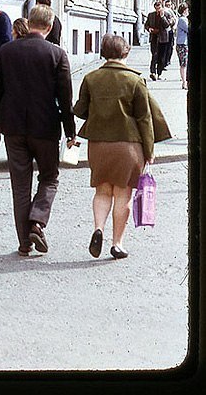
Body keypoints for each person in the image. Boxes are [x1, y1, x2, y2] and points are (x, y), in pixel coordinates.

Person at [0, 5, 77, 257]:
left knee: (20, 186)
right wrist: (71, 132)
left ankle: (24, 242)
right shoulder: (57, 54)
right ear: (49, 27)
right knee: (49, 177)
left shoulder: (7, 51)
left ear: (29, 22)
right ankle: (37, 221)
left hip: (13, 127)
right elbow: (65, 98)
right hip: (46, 128)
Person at [72, 35, 171, 260]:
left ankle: (98, 228)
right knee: (122, 195)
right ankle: (117, 244)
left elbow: (80, 110)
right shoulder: (135, 80)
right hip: (128, 146)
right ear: (126, 52)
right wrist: (149, 151)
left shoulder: (90, 78)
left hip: (98, 145)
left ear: (103, 53)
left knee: (102, 191)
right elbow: (144, 119)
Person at [144, 0, 172, 81]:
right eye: (156, 8)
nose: (158, 10)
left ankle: (159, 73)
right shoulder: (151, 15)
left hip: (163, 38)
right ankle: (153, 72)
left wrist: (162, 17)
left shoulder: (166, 14)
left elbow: (167, 25)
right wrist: (149, 28)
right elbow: (146, 24)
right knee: (154, 55)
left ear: (162, 7)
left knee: (161, 57)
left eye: (159, 8)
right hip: (154, 37)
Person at [175, 3, 189, 89]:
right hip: (182, 44)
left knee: (184, 63)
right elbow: (188, 29)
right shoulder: (182, 20)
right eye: (187, 10)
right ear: (184, 11)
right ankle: (184, 82)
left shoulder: (183, 19)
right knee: (183, 64)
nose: (188, 11)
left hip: (182, 43)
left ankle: (185, 81)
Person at [162, 0, 177, 70]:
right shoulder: (165, 10)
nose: (168, 6)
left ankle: (167, 60)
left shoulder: (172, 12)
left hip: (171, 31)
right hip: (165, 32)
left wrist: (174, 28)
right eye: (166, 5)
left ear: (172, 5)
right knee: (166, 47)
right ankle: (165, 62)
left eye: (169, 5)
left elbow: (175, 20)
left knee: (170, 46)